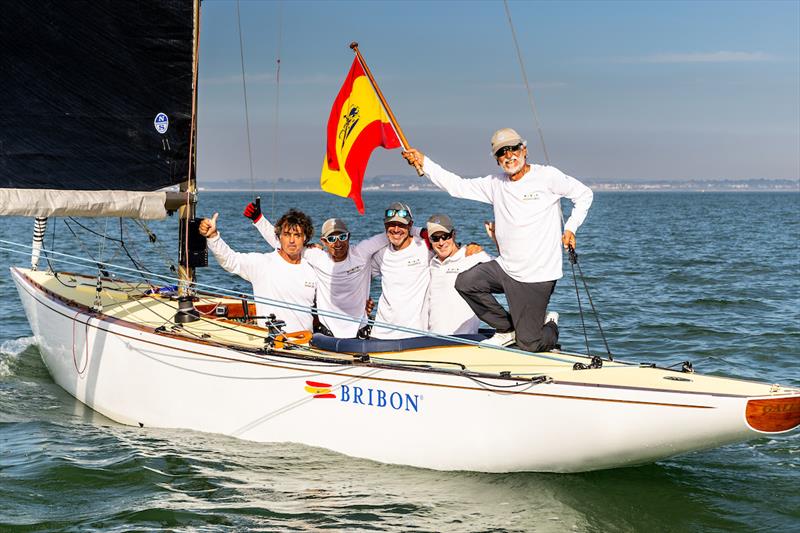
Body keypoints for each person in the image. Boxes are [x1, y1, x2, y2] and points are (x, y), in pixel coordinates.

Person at [402, 128, 593, 351]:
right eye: (502, 152)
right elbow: (457, 186)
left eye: (513, 149)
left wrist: (571, 227)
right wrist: (425, 163)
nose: (509, 155)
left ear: (524, 150)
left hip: (537, 275)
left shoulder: (547, 176)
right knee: (465, 282)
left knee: (529, 344)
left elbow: (584, 194)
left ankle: (549, 323)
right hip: (506, 269)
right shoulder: (495, 183)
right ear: (497, 159)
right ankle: (505, 329)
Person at [244, 201, 390, 338]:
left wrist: (411, 227)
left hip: (361, 330)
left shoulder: (361, 252)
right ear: (324, 241)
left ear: (349, 237)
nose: (338, 243)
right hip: (328, 333)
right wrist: (259, 219)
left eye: (342, 237)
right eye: (332, 239)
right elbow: (285, 242)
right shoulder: (317, 257)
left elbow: (392, 234)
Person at [198, 209, 317, 333]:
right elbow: (230, 260)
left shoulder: (312, 268)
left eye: (297, 235)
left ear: (305, 238)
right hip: (273, 343)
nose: (292, 240)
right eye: (287, 234)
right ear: (279, 237)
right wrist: (213, 236)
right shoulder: (262, 263)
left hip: (308, 344)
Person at [368, 202, 432, 339]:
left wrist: (472, 250)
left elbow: (448, 247)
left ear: (410, 225)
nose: (396, 229)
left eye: (402, 225)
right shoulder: (380, 254)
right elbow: (360, 278)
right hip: (380, 334)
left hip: (416, 335)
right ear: (385, 226)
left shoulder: (424, 248)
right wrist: (363, 301)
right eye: (391, 225)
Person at [426, 214, 492, 335]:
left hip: (464, 341)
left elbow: (506, 268)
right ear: (430, 240)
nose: (441, 242)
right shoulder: (431, 262)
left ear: (453, 234)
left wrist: (497, 239)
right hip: (432, 341)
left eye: (445, 236)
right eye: (435, 238)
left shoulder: (472, 256)